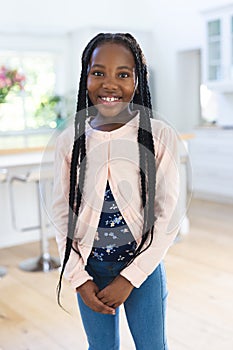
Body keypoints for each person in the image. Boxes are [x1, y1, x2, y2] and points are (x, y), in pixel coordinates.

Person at [52, 32, 180, 350]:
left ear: (138, 80)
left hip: (143, 270)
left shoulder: (158, 135)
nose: (110, 84)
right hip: (90, 272)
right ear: (86, 77)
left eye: (123, 74)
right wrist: (78, 278)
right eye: (99, 73)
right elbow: (60, 212)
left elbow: (168, 217)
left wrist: (130, 278)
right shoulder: (70, 140)